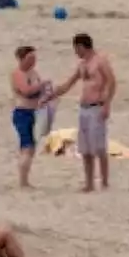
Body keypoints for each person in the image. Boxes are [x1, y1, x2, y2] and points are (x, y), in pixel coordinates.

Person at [50, 34, 118, 192]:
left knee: (99, 147)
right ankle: (89, 183)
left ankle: (105, 181)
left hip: (97, 106)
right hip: (84, 108)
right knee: (86, 149)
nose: (76, 52)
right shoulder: (82, 65)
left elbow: (111, 81)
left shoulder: (100, 61)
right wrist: (53, 94)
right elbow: (69, 83)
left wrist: (107, 104)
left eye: (76, 48)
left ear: (82, 46)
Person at [11, 46, 47, 188]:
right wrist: (41, 85)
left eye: (34, 58)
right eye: (30, 58)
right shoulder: (18, 74)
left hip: (34, 112)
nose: (33, 61)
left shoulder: (34, 73)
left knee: (29, 147)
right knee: (27, 147)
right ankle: (23, 181)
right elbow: (26, 90)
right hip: (22, 113)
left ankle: (25, 179)